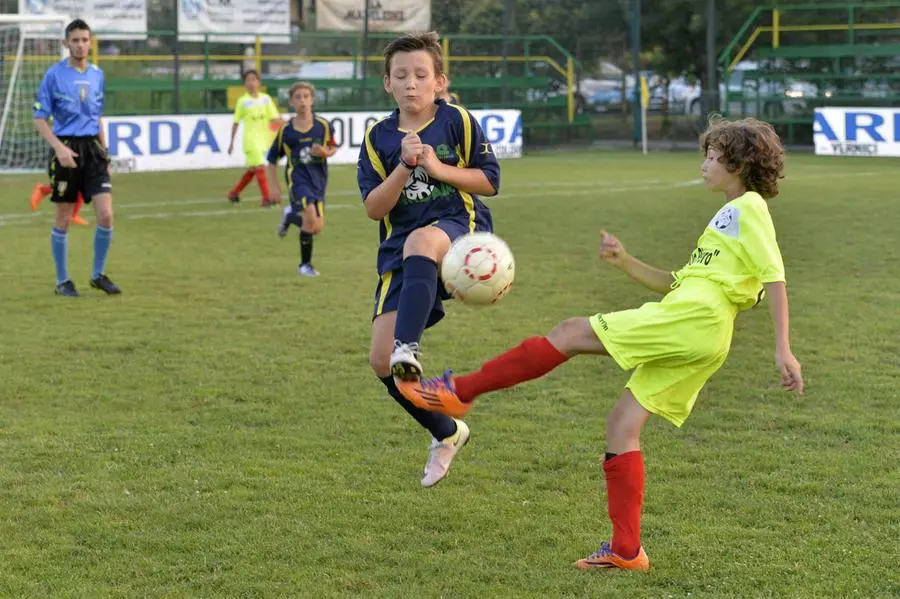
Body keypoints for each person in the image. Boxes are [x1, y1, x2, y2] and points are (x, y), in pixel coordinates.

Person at [397, 117, 804, 567]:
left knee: (569, 332)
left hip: (695, 320)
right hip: (706, 330)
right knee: (622, 426)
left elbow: (775, 276)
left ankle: (460, 393)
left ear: (739, 163)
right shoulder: (730, 214)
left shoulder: (749, 208)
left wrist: (782, 347)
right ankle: (627, 550)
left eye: (712, 156)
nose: (704, 163)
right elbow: (678, 282)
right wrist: (626, 261)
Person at [357, 32, 500, 487]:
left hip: (461, 229)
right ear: (387, 84)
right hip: (399, 250)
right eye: (401, 76)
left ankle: (409, 347)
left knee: (422, 239)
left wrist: (436, 168)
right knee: (381, 362)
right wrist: (403, 166)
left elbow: (489, 181)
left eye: (421, 75)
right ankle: (446, 432)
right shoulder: (377, 138)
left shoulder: (457, 121)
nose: (411, 84)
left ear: (440, 82)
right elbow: (374, 209)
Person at [33, 18, 120, 297]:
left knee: (106, 215)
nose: (81, 45)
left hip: (93, 149)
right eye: (75, 40)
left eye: (85, 40)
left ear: (90, 43)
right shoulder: (54, 75)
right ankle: (62, 281)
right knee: (63, 219)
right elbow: (39, 118)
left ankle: (98, 274)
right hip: (66, 148)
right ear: (66, 43)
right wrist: (59, 148)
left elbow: (97, 117)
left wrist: (105, 153)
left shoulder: (98, 75)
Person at [267, 82, 337, 277]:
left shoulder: (323, 125)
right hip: (297, 179)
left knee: (316, 226)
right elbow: (272, 159)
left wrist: (325, 152)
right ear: (291, 102)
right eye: (298, 97)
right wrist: (274, 186)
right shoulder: (286, 131)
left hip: (319, 180)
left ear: (312, 100)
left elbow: (333, 147)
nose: (303, 101)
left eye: (306, 96)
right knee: (310, 214)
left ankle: (290, 217)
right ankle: (305, 265)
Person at [227, 70, 283, 206]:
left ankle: (234, 193)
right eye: (248, 80)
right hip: (250, 140)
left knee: (253, 170)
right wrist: (232, 142)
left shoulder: (266, 99)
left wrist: (288, 125)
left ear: (259, 82)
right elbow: (236, 122)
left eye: (254, 79)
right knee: (259, 166)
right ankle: (266, 198)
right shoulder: (242, 101)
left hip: (264, 140)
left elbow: (275, 118)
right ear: (244, 84)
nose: (251, 83)